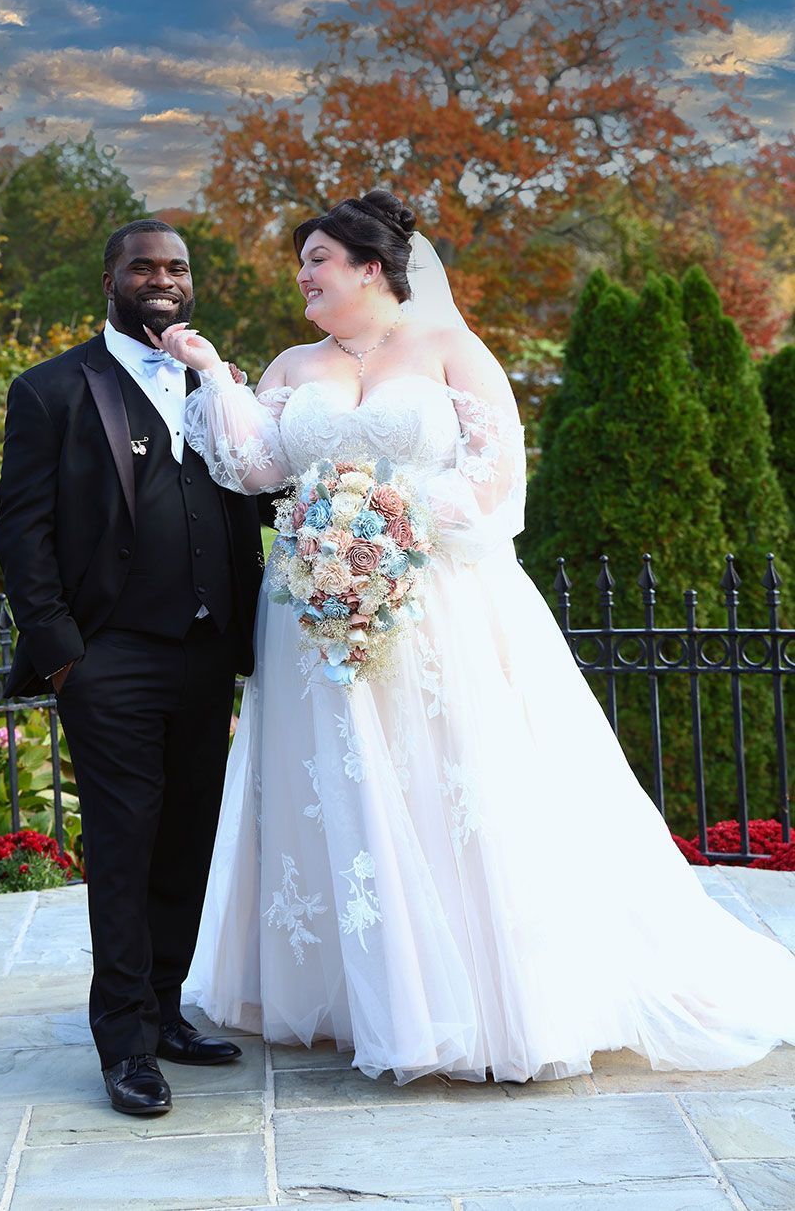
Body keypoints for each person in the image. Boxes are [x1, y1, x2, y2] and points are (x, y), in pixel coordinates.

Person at [150, 188, 795, 1086]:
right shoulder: (292, 365)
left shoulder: (451, 349)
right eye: (302, 264)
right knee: (339, 786)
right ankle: (363, 990)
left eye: (319, 260)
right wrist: (216, 373)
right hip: (313, 612)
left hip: (439, 603)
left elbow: (495, 482)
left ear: (371, 268)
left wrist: (385, 520)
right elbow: (258, 467)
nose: (302, 276)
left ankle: (484, 1000)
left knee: (446, 779)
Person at [0, 219, 264, 1116]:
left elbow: (257, 492)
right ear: (110, 277)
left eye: (178, 266)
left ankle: (166, 1009)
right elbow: (22, 533)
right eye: (144, 265)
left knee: (188, 839)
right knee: (122, 845)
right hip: (110, 662)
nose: (162, 278)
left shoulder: (213, 381)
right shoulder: (51, 391)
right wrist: (65, 657)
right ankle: (124, 1045)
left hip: (207, 654)